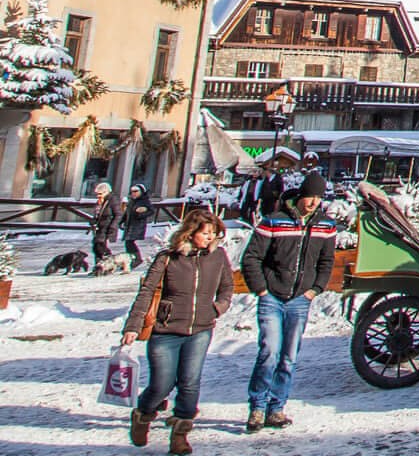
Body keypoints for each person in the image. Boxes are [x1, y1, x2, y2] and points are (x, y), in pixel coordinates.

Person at [122, 207, 232, 454]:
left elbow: (227, 287)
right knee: (161, 384)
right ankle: (143, 414)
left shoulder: (217, 256)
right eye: (205, 233)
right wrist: (133, 326)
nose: (210, 238)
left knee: (190, 382)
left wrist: (218, 308)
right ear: (190, 232)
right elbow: (147, 292)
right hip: (166, 330)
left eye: (213, 233)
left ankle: (180, 434)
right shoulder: (168, 257)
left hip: (200, 330)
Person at [240, 172, 335, 434]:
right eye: (310, 197)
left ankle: (277, 406)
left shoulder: (326, 226)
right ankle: (257, 407)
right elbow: (251, 257)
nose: (314, 202)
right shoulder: (274, 221)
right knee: (269, 352)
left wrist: (315, 289)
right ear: (301, 195)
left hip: (300, 298)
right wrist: (261, 290)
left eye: (318, 198)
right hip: (272, 296)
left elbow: (326, 261)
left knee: (288, 357)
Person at [90, 182, 122, 268]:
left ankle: (107, 264)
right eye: (97, 194)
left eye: (100, 194)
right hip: (99, 227)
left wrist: (113, 226)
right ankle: (99, 266)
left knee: (100, 246)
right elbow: (98, 214)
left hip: (107, 226)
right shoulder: (100, 201)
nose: (98, 196)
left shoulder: (112, 200)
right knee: (96, 247)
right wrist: (94, 220)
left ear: (106, 192)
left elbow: (118, 214)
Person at [123, 183, 155, 266]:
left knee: (129, 242)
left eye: (136, 191)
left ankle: (137, 259)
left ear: (141, 192)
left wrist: (141, 214)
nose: (133, 193)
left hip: (137, 225)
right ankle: (132, 259)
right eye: (132, 191)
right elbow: (127, 212)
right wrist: (122, 221)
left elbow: (151, 211)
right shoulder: (131, 201)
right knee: (128, 243)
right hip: (129, 224)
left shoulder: (144, 200)